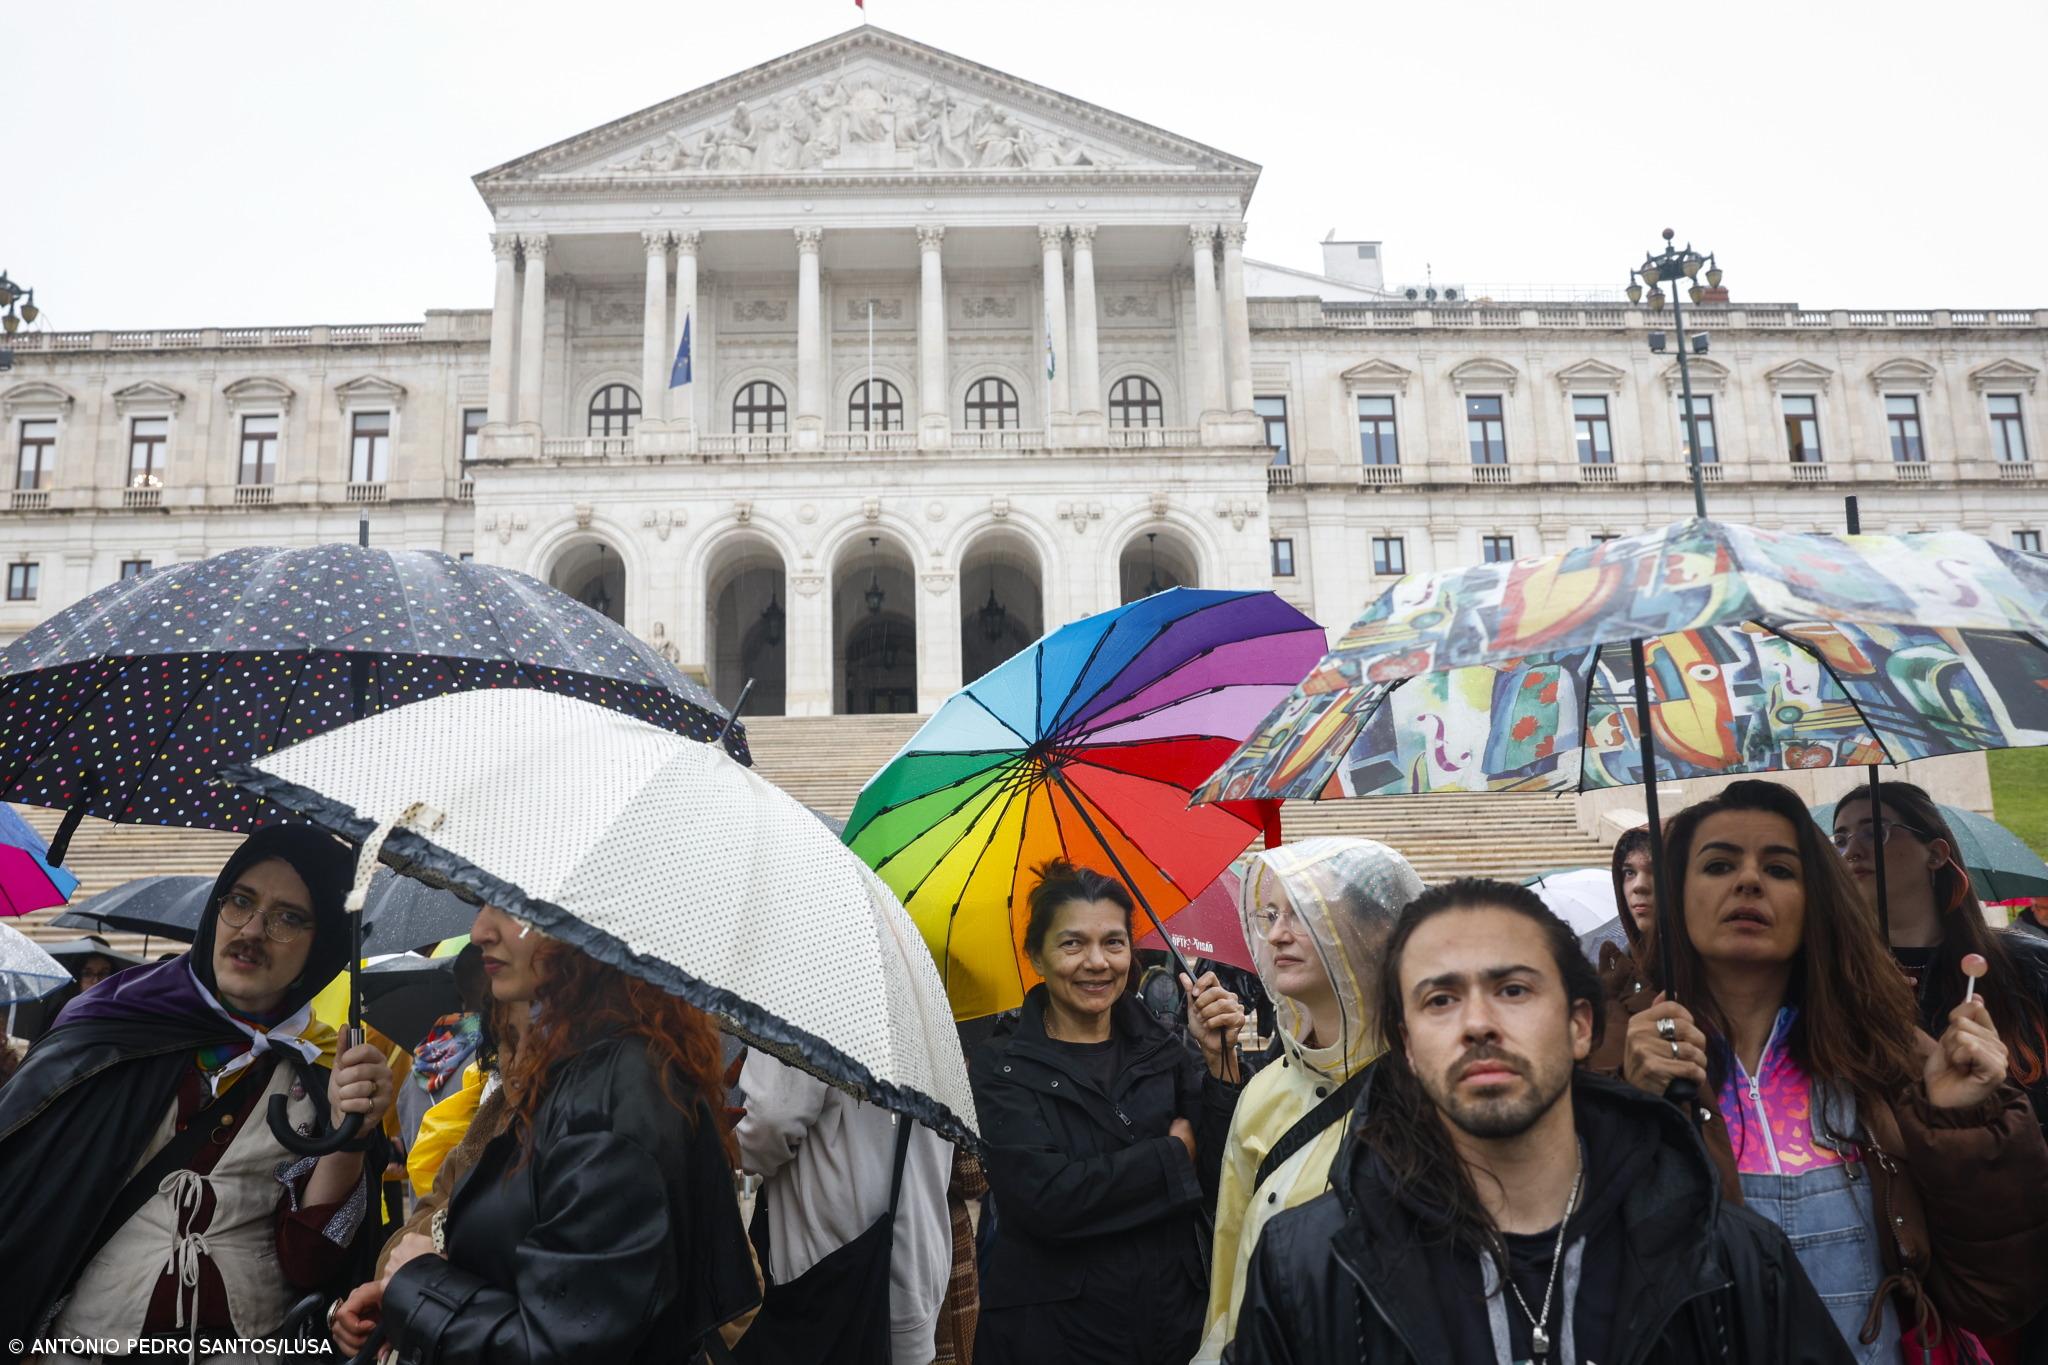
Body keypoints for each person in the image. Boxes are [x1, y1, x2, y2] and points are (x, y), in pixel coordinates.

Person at [1229, 877, 1855, 1364]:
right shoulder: (1304, 1268)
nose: (1478, 1023)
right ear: (1409, 1049)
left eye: (1513, 990)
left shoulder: (1731, 1258)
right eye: (1440, 999)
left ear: (1580, 1026)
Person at [1611, 780, 2048, 1362]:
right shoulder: (1607, 1046)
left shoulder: (1887, 1046)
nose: (1748, 882)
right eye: (1717, 864)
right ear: (1677, 893)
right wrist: (1631, 1105)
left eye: (1781, 869)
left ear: (1816, 898)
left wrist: (1962, 1118)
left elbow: (1995, 1291)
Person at [0, 826, 394, 1360]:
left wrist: (352, 1132)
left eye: (288, 917)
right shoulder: (110, 1028)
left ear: (322, 944)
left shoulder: (324, 1071)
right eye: (241, 902)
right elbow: (26, 1208)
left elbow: (311, 1264)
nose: (252, 930)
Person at [331, 901, 758, 1364]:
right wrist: (396, 1292)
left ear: (592, 920)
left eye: (514, 905)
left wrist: (419, 1285)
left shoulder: (619, 1096)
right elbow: (452, 1210)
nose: (478, 931)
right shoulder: (551, 1084)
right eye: (482, 903)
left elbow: (565, 1343)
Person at [969, 859, 1245, 1365]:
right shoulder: (1000, 1066)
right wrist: (1170, 1155)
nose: (1097, 962)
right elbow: (1048, 1201)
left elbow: (1218, 1178)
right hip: (1054, 1336)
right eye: (1072, 943)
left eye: (1114, 942)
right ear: (1036, 955)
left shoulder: (1164, 1047)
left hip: (1170, 1327)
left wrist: (1221, 1065)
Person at [1195, 837, 1422, 1361]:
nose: (1276, 934)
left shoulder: (1426, 1088)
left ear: (1373, 930)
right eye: (1270, 913)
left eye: (1303, 912)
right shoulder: (1262, 1090)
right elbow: (1230, 1255)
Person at [1829, 781, 2048, 1128]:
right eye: (1839, 840)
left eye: (1874, 833)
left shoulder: (2029, 963)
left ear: (1935, 854)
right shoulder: (1830, 978)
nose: (1850, 851)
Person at [730, 1045, 953, 1365]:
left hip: (826, 1286)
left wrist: (722, 1139)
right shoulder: (929, 1000)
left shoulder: (812, 996)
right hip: (914, 1273)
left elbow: (767, 1123)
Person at [1595, 825, 1654, 997]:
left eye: (1655, 871)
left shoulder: (1715, 966)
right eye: (1629, 872)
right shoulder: (1619, 967)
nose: (1639, 886)